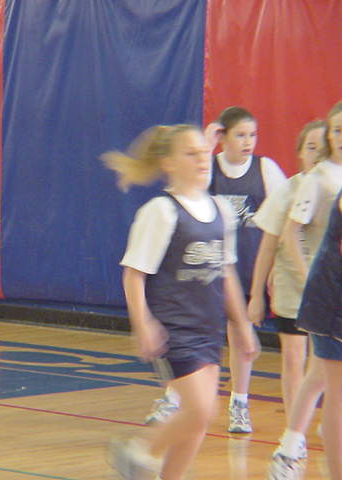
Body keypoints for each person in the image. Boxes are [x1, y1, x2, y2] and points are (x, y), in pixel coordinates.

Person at [102, 124, 259, 480]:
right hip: (175, 330)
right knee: (202, 410)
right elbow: (134, 274)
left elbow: (227, 273)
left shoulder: (221, 210)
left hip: (209, 329)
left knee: (197, 421)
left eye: (204, 152)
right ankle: (138, 452)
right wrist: (143, 323)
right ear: (169, 163)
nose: (202, 159)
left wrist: (241, 325)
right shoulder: (161, 211)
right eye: (191, 153)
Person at [145, 107, 286, 433]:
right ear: (223, 137)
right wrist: (207, 147)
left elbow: (282, 220)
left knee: (241, 336)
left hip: (246, 266)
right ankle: (174, 397)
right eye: (240, 134)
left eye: (253, 135)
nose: (248, 141)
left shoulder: (265, 169)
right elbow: (188, 193)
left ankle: (240, 402)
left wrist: (275, 269)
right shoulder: (208, 169)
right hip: (204, 271)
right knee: (193, 341)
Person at [267, 101, 342, 478]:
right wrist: (308, 275)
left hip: (330, 289)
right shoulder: (320, 178)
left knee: (319, 375)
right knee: (332, 384)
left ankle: (289, 445)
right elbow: (289, 231)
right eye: (338, 130)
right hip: (329, 293)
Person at [249, 120, 325, 413]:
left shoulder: (335, 189)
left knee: (323, 362)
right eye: (311, 147)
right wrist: (256, 295)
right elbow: (268, 246)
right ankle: (296, 424)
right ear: (300, 153)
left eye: (324, 148)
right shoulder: (287, 191)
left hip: (328, 290)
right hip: (292, 288)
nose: (317, 154)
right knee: (294, 357)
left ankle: (323, 418)